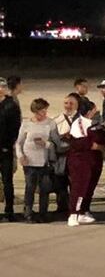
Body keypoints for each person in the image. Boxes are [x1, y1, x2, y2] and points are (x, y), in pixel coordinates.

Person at [15, 98, 63, 222]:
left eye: (45, 110)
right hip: (29, 161)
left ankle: (43, 212)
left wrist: (46, 144)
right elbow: (19, 143)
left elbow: (56, 142)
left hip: (44, 161)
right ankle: (28, 212)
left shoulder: (50, 123)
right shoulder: (26, 123)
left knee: (44, 188)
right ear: (35, 111)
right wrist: (21, 156)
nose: (44, 114)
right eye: (41, 111)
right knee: (30, 187)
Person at [63, 101, 105, 226]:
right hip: (81, 162)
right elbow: (84, 143)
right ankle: (73, 214)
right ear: (89, 112)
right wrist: (97, 145)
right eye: (94, 110)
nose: (96, 112)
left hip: (94, 160)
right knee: (79, 188)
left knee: (89, 188)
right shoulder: (79, 124)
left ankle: (82, 211)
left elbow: (102, 139)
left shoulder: (95, 123)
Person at [0, 78, 21, 221]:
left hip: (5, 149)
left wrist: (9, 145)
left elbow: (15, 127)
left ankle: (9, 211)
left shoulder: (11, 105)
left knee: (7, 181)